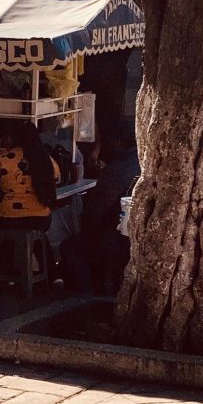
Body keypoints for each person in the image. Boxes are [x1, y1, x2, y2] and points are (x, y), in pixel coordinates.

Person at [61, 120, 140, 294]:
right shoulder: (141, 163)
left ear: (118, 142)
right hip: (135, 235)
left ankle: (84, 296)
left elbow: (95, 211)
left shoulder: (116, 170)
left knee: (70, 246)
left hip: (117, 238)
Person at [0, 122, 60, 231]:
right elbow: (57, 181)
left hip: (6, 218)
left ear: (13, 138)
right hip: (41, 219)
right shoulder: (47, 159)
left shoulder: (0, 158)